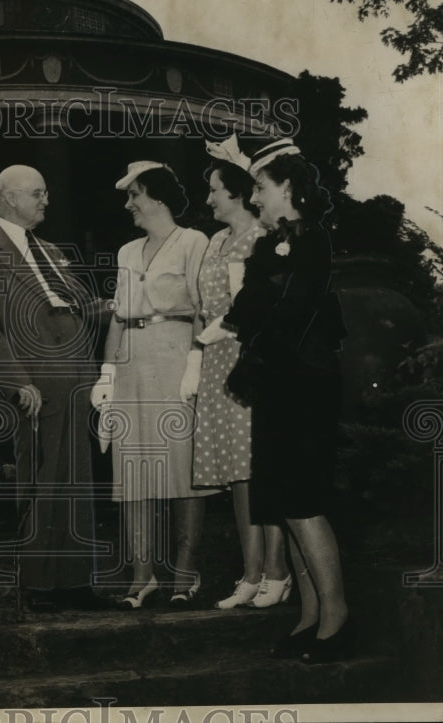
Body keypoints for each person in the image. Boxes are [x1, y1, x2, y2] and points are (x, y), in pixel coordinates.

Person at [223, 138, 351, 662]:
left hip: (305, 384)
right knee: (281, 499)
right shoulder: (266, 245)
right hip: (276, 382)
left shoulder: (314, 240)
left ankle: (337, 617)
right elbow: (248, 309)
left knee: (303, 501)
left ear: (287, 188)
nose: (254, 198)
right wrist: (262, 310)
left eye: (260, 186)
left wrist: (258, 333)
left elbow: (292, 312)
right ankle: (309, 617)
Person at [0, 164, 110, 613]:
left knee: (76, 482)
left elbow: (83, 306)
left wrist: (126, 305)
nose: (47, 200)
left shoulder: (51, 251)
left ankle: (76, 583)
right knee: (41, 480)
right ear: (9, 198)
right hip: (35, 387)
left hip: (75, 382)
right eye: (37, 193)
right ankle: (40, 585)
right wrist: (17, 382)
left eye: (47, 192)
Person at [91, 161, 216, 609]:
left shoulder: (193, 242)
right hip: (132, 366)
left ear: (158, 198)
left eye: (135, 196)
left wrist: (196, 365)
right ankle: (142, 574)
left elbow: (205, 308)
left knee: (183, 466)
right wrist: (107, 376)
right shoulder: (127, 252)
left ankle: (185, 571)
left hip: (177, 357)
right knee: (133, 470)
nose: (129, 206)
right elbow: (119, 317)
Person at [185, 136, 291, 610]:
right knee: (236, 473)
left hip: (246, 359)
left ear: (238, 192)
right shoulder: (213, 241)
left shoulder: (261, 238)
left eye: (214, 190)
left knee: (260, 467)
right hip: (214, 366)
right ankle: (250, 573)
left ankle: (277, 570)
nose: (208, 199)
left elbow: (258, 309)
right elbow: (201, 306)